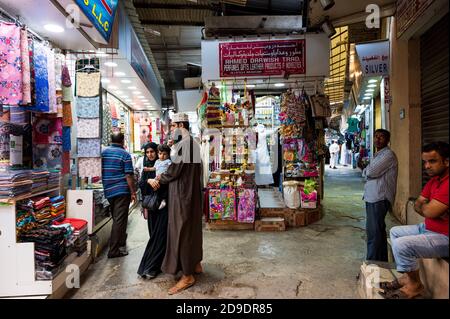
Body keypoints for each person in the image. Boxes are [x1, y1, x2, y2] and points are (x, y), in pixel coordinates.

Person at [380, 142, 449, 299]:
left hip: (445, 236)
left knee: (402, 245)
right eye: (425, 162)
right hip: (428, 228)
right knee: (395, 232)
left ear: (446, 161)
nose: (427, 166)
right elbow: (417, 205)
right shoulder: (434, 180)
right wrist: (430, 209)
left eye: (432, 161)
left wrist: (430, 209)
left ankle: (415, 285)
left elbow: (429, 210)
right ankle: (407, 277)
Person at [147, 112, 203, 295]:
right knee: (191, 229)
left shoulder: (184, 145)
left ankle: (187, 275)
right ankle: (194, 263)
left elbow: (174, 172)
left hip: (182, 196)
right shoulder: (192, 143)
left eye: (172, 126)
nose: (170, 130)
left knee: (182, 232)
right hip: (191, 195)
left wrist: (159, 178)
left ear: (180, 125)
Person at [360, 129, 398, 262]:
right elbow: (369, 171)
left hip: (379, 198)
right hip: (373, 196)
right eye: (376, 137)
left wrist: (365, 171)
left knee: (374, 233)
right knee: (378, 232)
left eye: (381, 137)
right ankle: (381, 262)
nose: (377, 139)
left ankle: (372, 264)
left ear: (388, 140)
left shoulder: (388, 155)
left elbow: (370, 172)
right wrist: (366, 170)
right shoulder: (378, 154)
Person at [137, 142, 170, 280]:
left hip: (163, 206)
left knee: (160, 236)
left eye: (152, 152)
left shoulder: (166, 165)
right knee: (153, 236)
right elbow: (141, 185)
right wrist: (149, 181)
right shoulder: (146, 168)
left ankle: (152, 267)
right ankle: (152, 266)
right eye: (147, 152)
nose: (150, 154)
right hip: (151, 207)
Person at [101, 132, 136, 258]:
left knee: (118, 218)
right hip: (121, 190)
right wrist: (133, 192)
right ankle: (114, 250)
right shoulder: (125, 154)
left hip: (108, 190)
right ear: (122, 140)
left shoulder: (103, 153)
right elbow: (128, 175)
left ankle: (121, 242)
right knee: (119, 220)